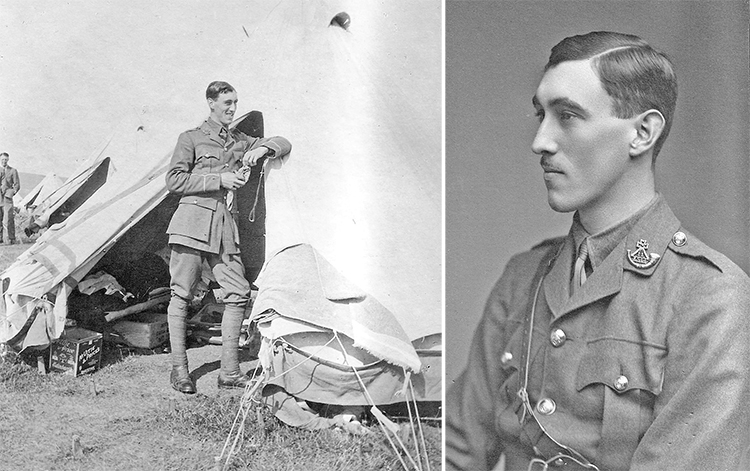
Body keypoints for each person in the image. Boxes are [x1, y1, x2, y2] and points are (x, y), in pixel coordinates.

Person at [446, 31, 750, 471]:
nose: (540, 142)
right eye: (540, 115)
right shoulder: (523, 277)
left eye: (568, 116)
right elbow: (455, 451)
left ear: (642, 133)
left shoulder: (711, 297)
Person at [165, 81, 291, 394]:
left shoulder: (239, 140)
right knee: (181, 294)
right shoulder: (191, 138)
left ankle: (229, 371)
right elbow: (174, 180)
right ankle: (179, 370)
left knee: (238, 292)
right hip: (191, 224)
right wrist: (219, 178)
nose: (232, 108)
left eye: (235, 102)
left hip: (223, 229)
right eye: (226, 103)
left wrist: (262, 148)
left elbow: (283, 142)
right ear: (210, 103)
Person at [0, 152, 20, 245]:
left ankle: (11, 238)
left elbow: (17, 185)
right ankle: (0, 239)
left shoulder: (13, 171)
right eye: (2, 159)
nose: (4, 161)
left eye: (5, 160)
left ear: (8, 160)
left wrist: (11, 193)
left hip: (7, 197)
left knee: (9, 218)